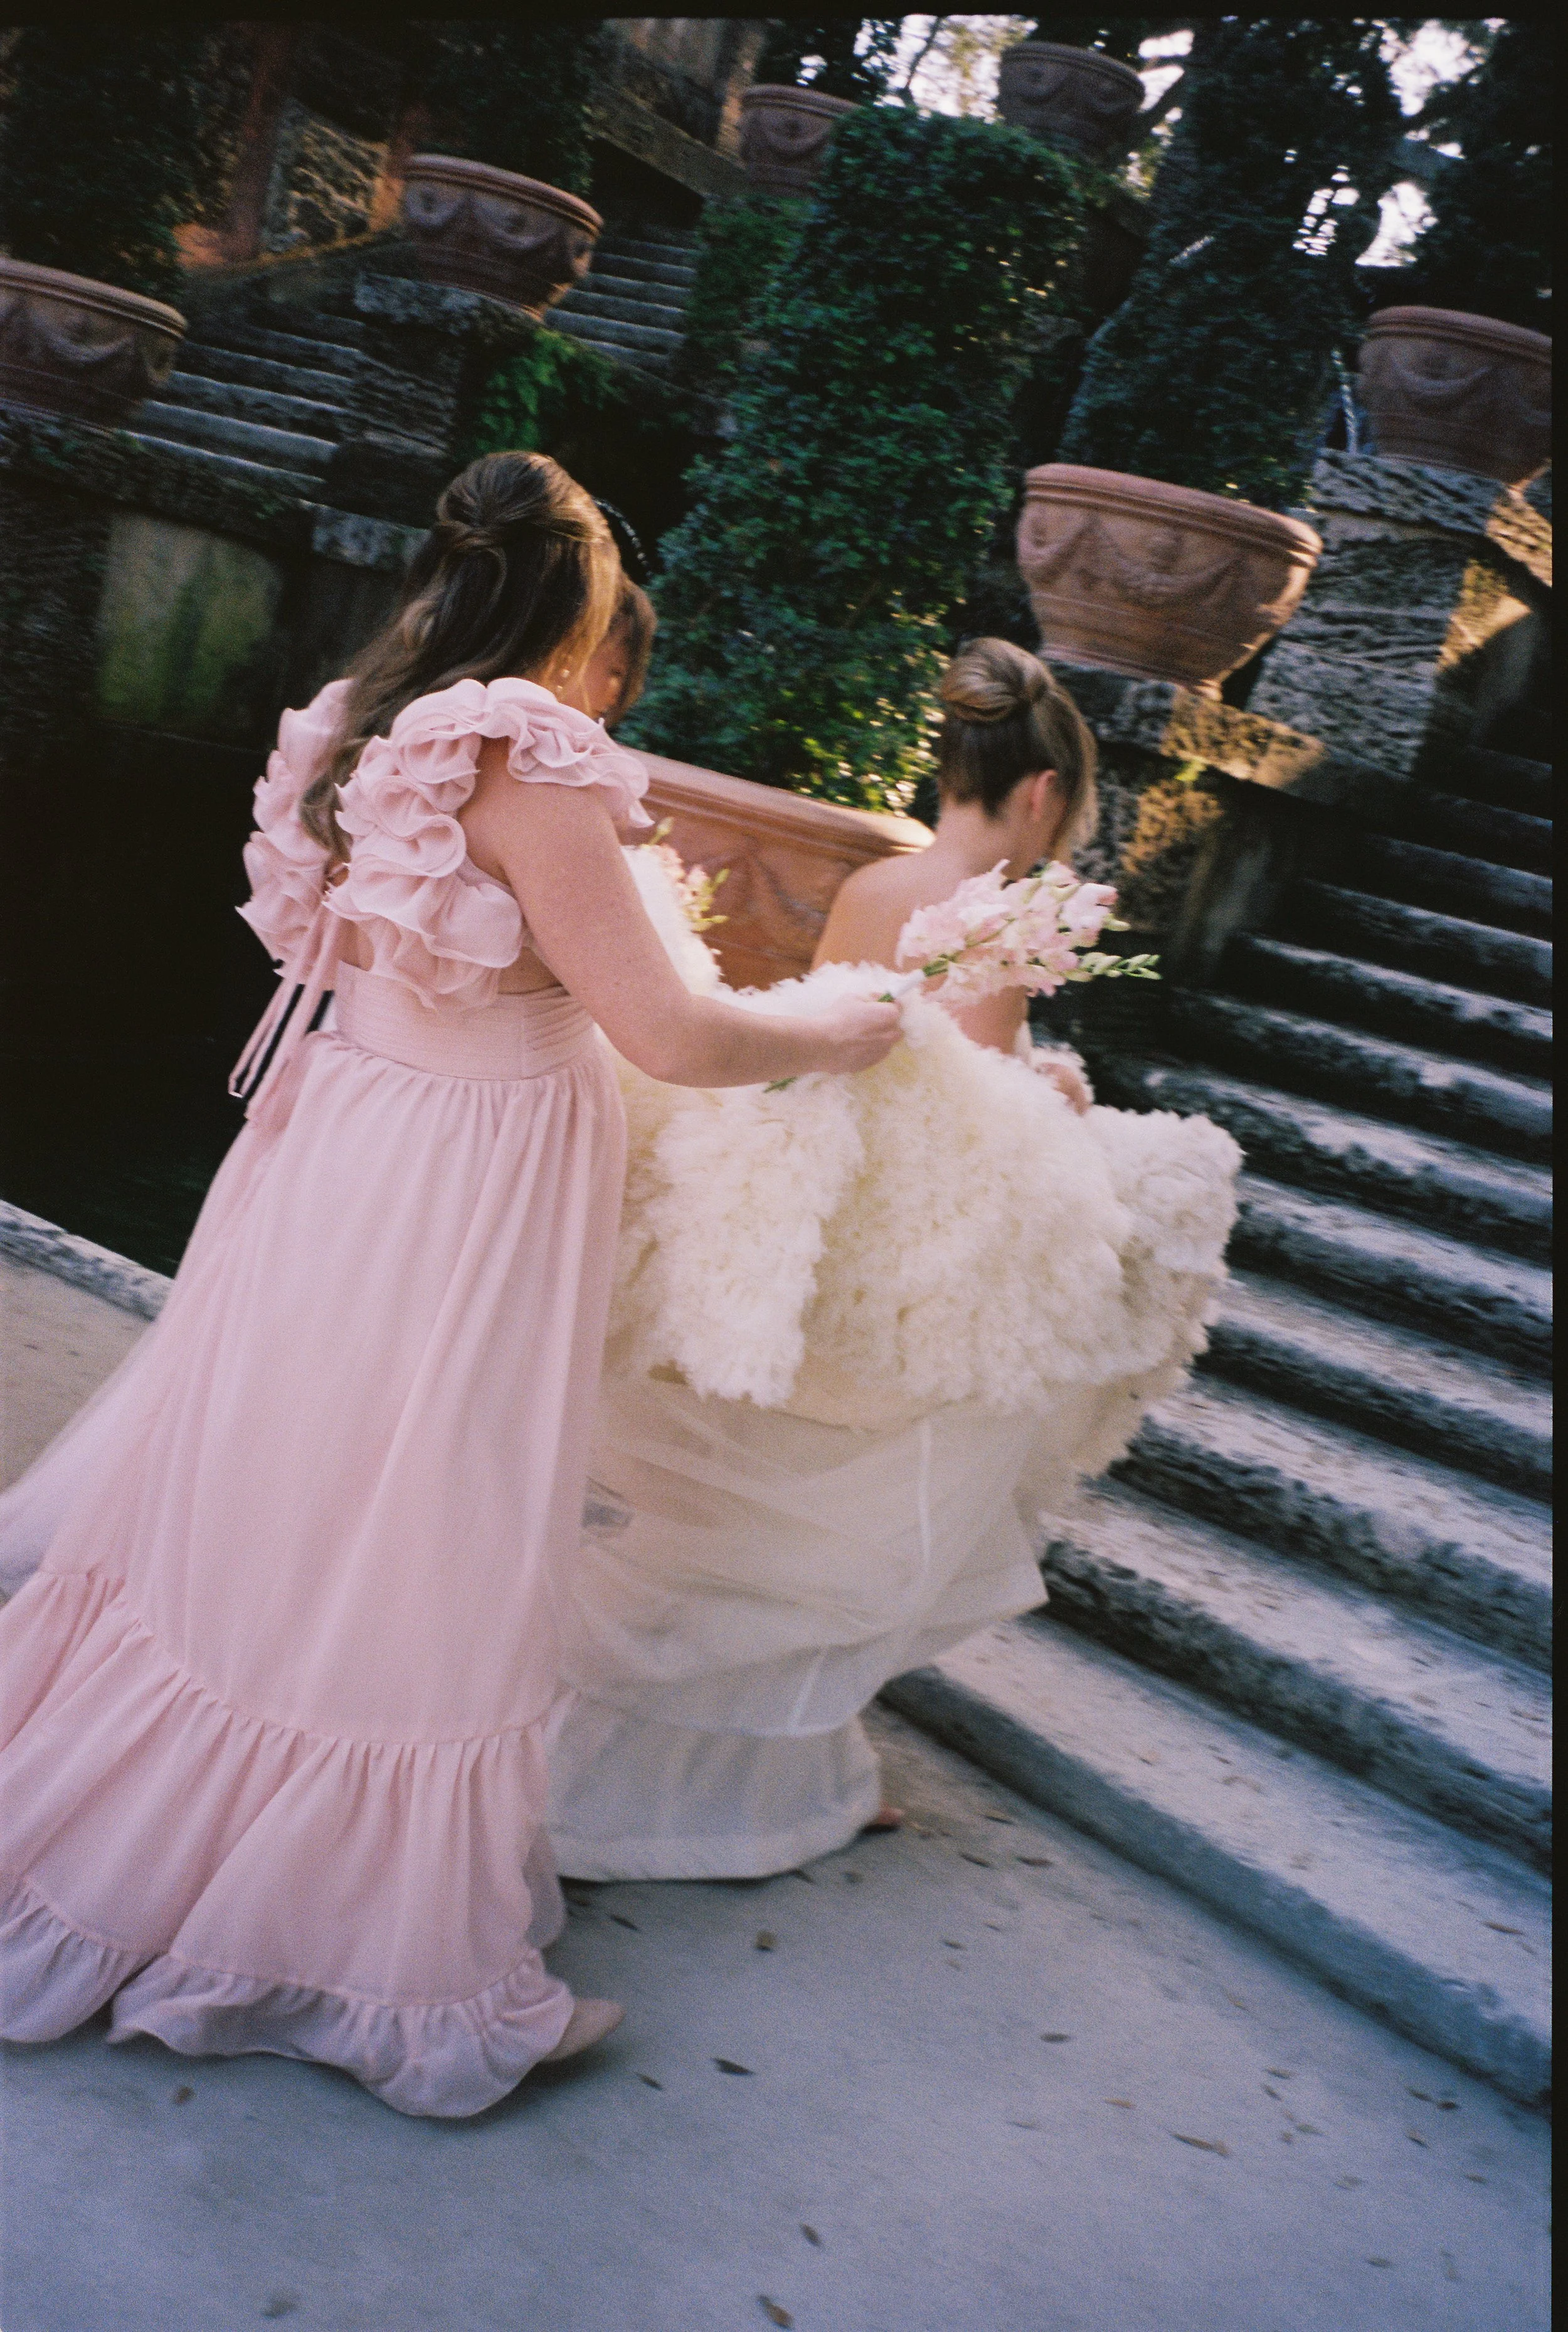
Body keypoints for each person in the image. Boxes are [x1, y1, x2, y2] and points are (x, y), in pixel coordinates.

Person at [0, 452, 900, 2117]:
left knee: (284, 1489)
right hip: (472, 1176)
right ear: (585, 614)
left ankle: (160, 1817)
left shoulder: (355, 723)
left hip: (345, 1140)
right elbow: (676, 1032)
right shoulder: (530, 757)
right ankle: (356, 1940)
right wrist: (844, 1021)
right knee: (428, 1515)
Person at [545, 640, 1239, 1883]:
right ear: (1039, 796)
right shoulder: (1010, 901)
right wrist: (1058, 1086)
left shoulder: (875, 877)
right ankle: (737, 1775)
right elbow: (982, 1108)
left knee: (775, 1519)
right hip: (929, 1244)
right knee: (866, 1536)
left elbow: (850, 1039)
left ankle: (772, 1763)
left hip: (828, 1220)